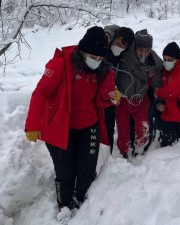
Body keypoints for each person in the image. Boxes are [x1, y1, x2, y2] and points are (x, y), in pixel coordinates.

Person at [24, 26, 120, 218]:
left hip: (89, 126)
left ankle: (82, 204)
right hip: (61, 128)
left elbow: (101, 98)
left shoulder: (103, 71)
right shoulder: (61, 64)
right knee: (65, 173)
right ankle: (65, 207)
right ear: (82, 51)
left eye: (100, 58)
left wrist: (111, 97)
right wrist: (32, 125)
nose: (97, 61)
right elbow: (41, 93)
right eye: (93, 56)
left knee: (86, 171)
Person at [116, 29, 162, 159]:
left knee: (143, 127)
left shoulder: (153, 62)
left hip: (140, 99)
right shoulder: (124, 54)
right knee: (123, 128)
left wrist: (156, 89)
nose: (143, 53)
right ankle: (124, 151)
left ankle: (140, 149)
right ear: (135, 47)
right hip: (122, 100)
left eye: (147, 50)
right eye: (140, 50)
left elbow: (158, 78)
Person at [103, 25, 135, 154]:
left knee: (109, 129)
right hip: (94, 99)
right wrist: (108, 34)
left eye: (124, 46)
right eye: (119, 43)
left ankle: (107, 157)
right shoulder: (102, 46)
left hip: (110, 99)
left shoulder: (121, 55)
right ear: (115, 37)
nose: (120, 47)